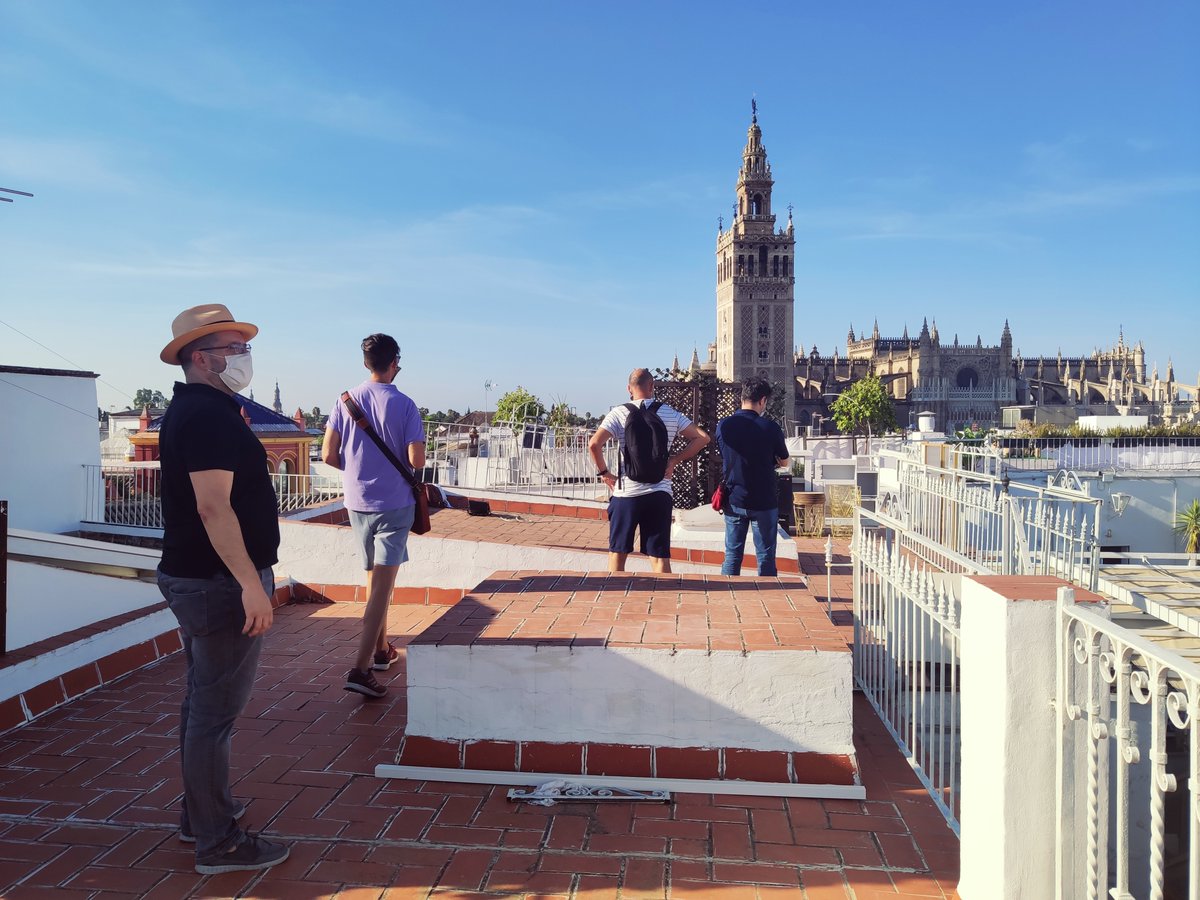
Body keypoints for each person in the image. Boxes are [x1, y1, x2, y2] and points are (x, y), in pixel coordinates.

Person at [155, 303, 290, 875]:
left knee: (201, 702)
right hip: (218, 584)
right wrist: (250, 588)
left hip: (202, 579)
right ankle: (219, 842)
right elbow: (214, 509)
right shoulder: (207, 416)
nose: (244, 358)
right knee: (214, 714)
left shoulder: (198, 409)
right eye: (235, 349)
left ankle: (200, 816)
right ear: (202, 357)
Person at [323, 333, 425, 699]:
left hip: (357, 502)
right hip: (395, 504)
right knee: (382, 586)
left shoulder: (346, 400)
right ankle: (361, 667)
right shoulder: (406, 405)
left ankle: (382, 651)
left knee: (373, 578)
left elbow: (328, 455)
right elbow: (417, 462)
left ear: (366, 363)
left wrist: (357, 469)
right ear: (394, 361)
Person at [588, 368, 709, 572]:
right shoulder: (670, 413)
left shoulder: (618, 413)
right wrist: (674, 460)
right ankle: (664, 599)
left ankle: (616, 595)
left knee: (617, 554)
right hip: (659, 493)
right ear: (652, 386)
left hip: (626, 494)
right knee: (659, 558)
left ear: (629, 388)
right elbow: (703, 437)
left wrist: (605, 474)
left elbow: (594, 444)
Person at [715, 377, 790, 576]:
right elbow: (784, 461)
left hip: (734, 497)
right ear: (763, 400)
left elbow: (726, 456)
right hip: (764, 500)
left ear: (742, 398)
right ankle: (766, 599)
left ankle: (727, 594)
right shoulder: (770, 427)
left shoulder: (724, 425)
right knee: (765, 557)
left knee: (732, 555)